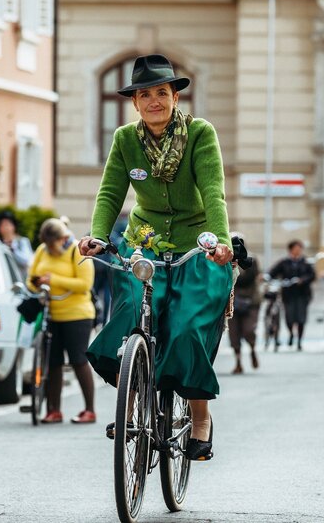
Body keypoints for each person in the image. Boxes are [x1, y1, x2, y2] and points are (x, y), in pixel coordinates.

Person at [78, 54, 234, 461]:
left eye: (161, 93)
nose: (154, 101)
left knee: (186, 328)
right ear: (135, 102)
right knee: (131, 309)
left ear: (175, 97)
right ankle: (129, 405)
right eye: (145, 95)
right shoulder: (125, 140)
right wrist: (98, 236)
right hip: (144, 242)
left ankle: (200, 418)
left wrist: (219, 242)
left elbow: (213, 190)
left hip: (196, 245)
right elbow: (110, 192)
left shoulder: (200, 133)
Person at [27, 218, 97, 424]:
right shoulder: (42, 250)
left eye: (53, 244)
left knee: (78, 360)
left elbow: (85, 284)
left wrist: (54, 279)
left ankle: (89, 409)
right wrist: (36, 283)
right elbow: (30, 278)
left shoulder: (76, 250)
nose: (50, 248)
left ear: (63, 238)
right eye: (47, 244)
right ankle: (54, 410)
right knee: (53, 362)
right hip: (51, 313)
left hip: (77, 314)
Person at [267, 240, 316, 351]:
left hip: (302, 294)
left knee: (301, 319)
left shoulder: (305, 262)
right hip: (288, 294)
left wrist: (302, 280)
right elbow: (273, 272)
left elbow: (312, 275)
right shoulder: (284, 262)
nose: (298, 251)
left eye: (299, 249)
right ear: (291, 250)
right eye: (295, 249)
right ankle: (291, 333)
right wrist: (267, 277)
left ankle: (299, 341)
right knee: (289, 318)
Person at [229, 240, 261, 374]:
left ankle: (252, 349)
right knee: (234, 334)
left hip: (251, 301)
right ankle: (238, 362)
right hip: (232, 301)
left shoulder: (251, 259)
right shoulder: (224, 259)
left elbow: (248, 279)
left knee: (249, 330)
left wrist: (232, 267)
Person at [0, 210, 34, 276]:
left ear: (13, 226)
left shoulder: (22, 242)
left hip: (20, 280)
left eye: (7, 224)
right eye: (2, 225)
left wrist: (13, 249)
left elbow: (27, 261)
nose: (5, 228)